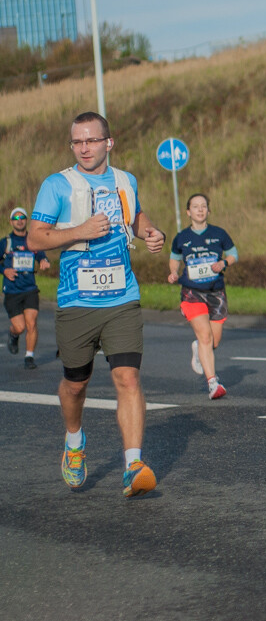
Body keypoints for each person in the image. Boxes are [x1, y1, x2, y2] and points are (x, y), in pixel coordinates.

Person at [27, 111, 166, 497]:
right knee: (76, 384)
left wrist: (150, 232)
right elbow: (36, 239)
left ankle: (133, 465)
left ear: (109, 142)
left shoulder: (125, 180)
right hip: (77, 302)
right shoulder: (57, 185)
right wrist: (81, 231)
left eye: (91, 140)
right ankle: (74, 442)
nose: (84, 148)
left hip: (122, 297)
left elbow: (134, 216)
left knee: (128, 378)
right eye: (77, 141)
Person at [168, 193, 237, 399]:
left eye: (203, 206)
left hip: (216, 292)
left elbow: (234, 254)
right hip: (192, 292)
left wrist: (224, 263)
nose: (200, 209)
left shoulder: (219, 233)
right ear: (188, 212)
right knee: (205, 336)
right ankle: (213, 383)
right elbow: (174, 258)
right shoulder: (182, 237)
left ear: (208, 210)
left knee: (213, 341)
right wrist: (173, 272)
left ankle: (198, 347)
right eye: (195, 206)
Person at [4, 206, 51, 369]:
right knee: (20, 327)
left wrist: (44, 261)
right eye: (16, 218)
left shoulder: (33, 241)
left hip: (30, 289)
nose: (19, 221)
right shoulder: (6, 242)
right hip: (12, 291)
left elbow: (42, 256)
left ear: (26, 221)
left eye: (22, 218)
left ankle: (29, 357)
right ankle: (13, 334)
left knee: (31, 323)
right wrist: (4, 271)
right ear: (11, 222)